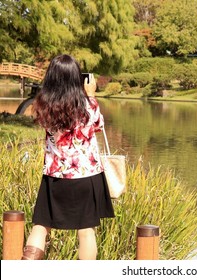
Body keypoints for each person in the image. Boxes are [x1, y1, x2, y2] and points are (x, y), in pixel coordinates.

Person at [22, 54, 115, 260]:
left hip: (54, 177)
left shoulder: (43, 104)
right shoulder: (86, 106)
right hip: (85, 176)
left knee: (41, 226)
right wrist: (90, 95)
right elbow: (97, 126)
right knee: (86, 231)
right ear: (76, 78)